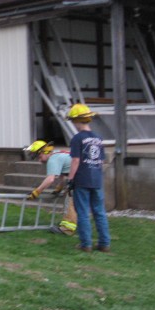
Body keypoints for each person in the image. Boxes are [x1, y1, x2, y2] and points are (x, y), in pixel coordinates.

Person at [66, 103, 111, 253]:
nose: (73, 123)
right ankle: (104, 244)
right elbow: (102, 161)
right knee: (99, 211)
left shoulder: (77, 139)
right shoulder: (98, 138)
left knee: (83, 212)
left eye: (73, 120)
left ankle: (86, 244)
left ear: (78, 120)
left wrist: (70, 179)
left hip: (82, 180)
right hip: (97, 180)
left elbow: (75, 161)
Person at [23, 140, 78, 236]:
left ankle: (67, 229)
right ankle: (79, 226)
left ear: (45, 152)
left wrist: (36, 192)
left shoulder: (53, 159)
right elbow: (63, 173)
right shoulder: (58, 154)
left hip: (79, 179)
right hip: (87, 177)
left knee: (70, 203)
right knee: (78, 204)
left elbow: (50, 179)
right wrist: (60, 187)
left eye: (39, 157)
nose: (39, 161)